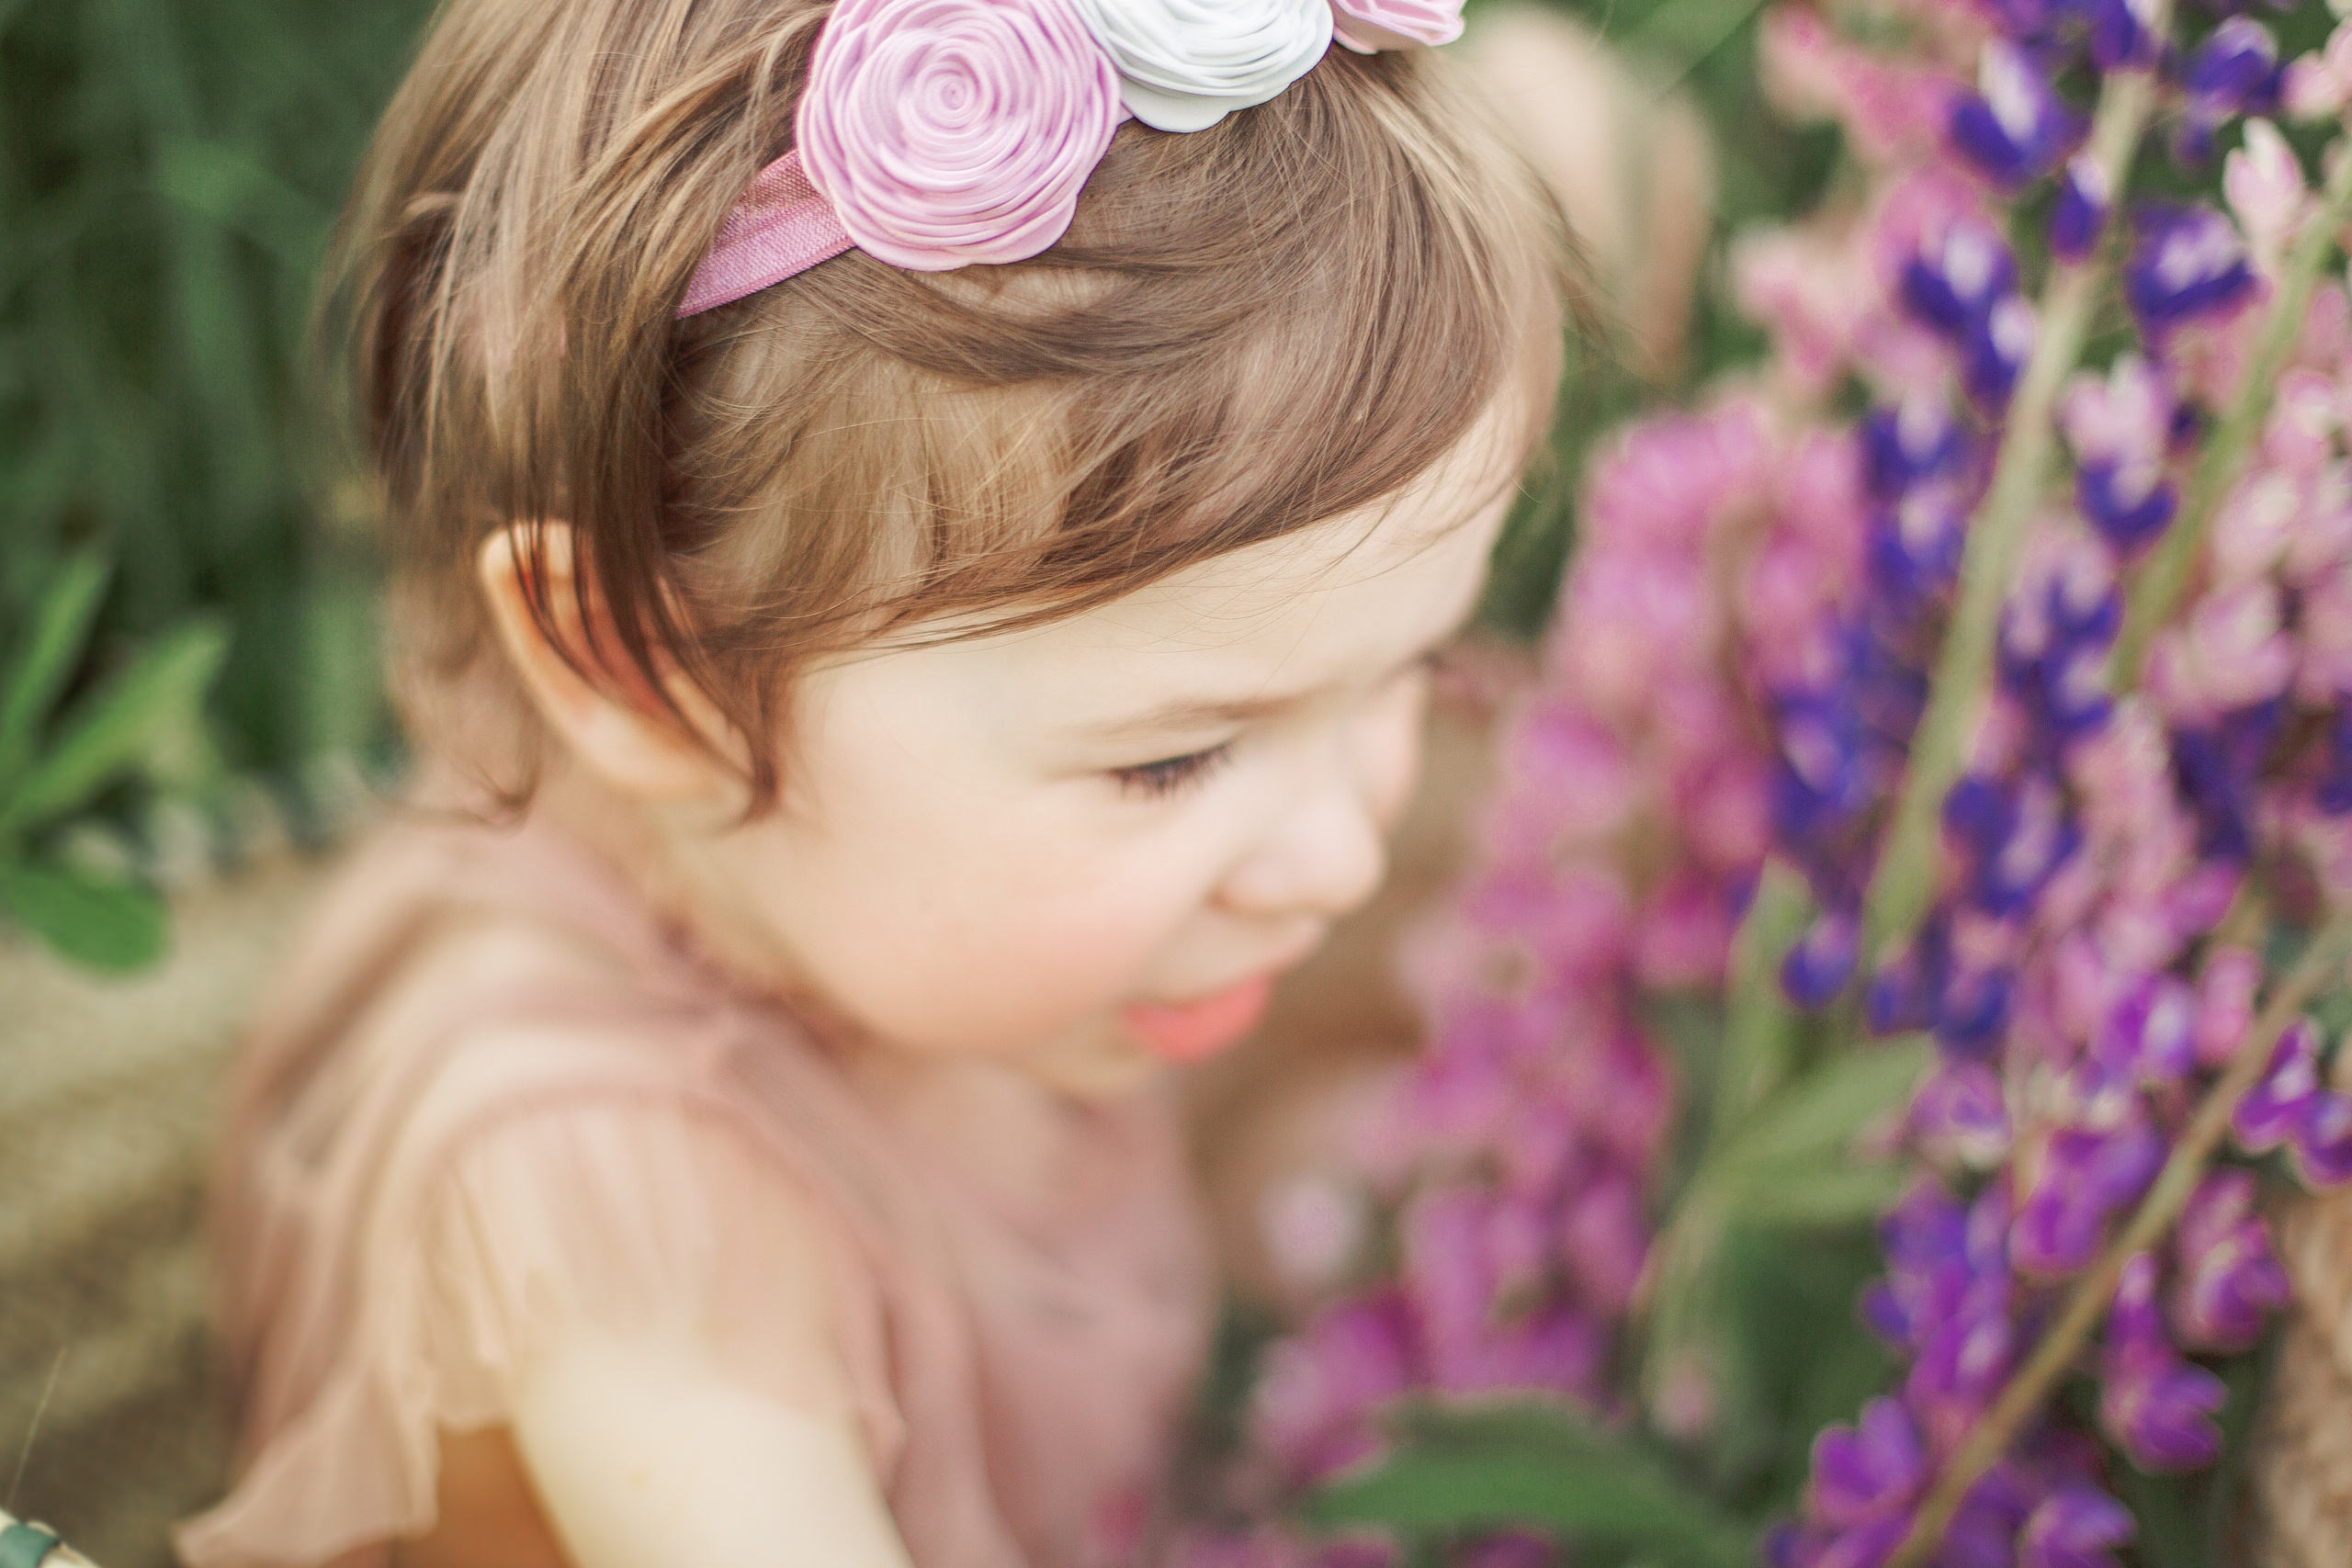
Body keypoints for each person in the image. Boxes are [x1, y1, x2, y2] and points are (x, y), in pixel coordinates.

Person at [174, 0, 1588, 1562]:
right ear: (647, 672)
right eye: (1174, 758)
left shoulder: (898, 875)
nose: (1337, 857)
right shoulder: (616, 1209)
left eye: (1414, 671)